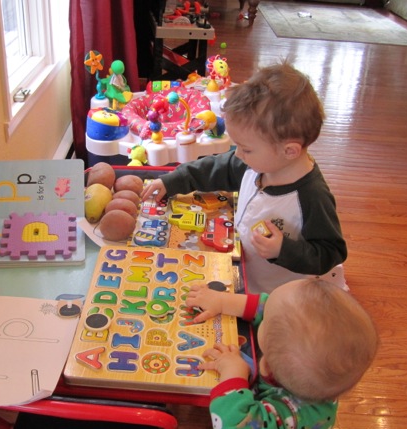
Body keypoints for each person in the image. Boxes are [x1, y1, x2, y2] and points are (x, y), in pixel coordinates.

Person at [141, 61, 347, 294]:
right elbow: (216, 167)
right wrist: (173, 180)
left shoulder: (312, 196)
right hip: (240, 270)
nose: (238, 154)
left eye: (246, 149)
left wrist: (283, 250)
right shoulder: (257, 163)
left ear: (289, 151)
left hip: (274, 296)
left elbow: (331, 252)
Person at [185, 278, 378, 429]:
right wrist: (222, 301)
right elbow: (268, 308)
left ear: (267, 366)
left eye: (266, 317)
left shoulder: (287, 422)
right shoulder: (325, 375)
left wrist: (233, 371)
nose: (264, 305)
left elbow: (233, 427)